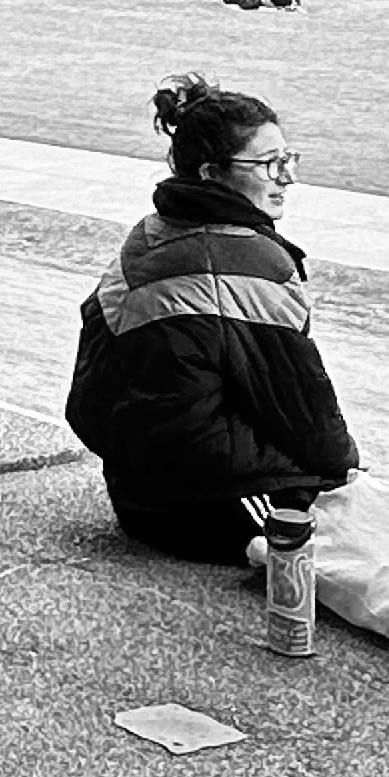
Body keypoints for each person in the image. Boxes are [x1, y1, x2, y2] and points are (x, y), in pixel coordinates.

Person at [62, 74, 360, 559]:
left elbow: (91, 400)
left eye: (286, 160)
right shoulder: (249, 261)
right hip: (208, 507)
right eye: (268, 165)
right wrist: (348, 473)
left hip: (136, 493)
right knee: (360, 517)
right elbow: (309, 416)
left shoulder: (149, 235)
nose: (286, 178)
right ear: (210, 173)